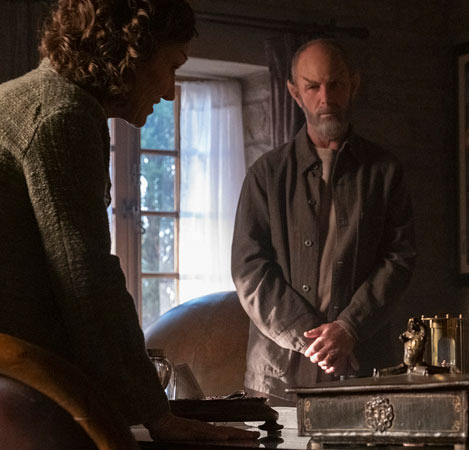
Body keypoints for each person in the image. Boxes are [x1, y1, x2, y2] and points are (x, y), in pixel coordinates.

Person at [0, 0, 257, 442]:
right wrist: (158, 417)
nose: (171, 91)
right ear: (131, 51)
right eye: (172, 66)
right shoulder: (64, 113)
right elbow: (86, 281)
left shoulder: (23, 96)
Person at [231, 39, 416, 405]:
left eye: (335, 84)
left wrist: (349, 328)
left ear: (353, 85)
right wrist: (313, 340)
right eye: (313, 86)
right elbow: (249, 270)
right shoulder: (266, 174)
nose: (325, 98)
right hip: (277, 377)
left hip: (363, 369)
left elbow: (399, 259)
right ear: (294, 93)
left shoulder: (384, 172)